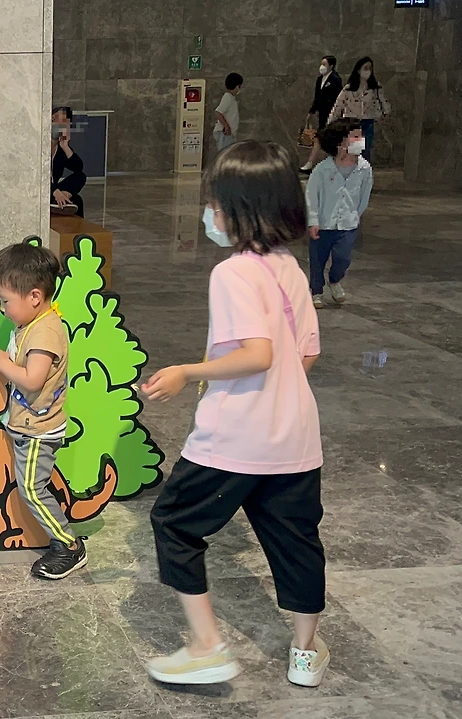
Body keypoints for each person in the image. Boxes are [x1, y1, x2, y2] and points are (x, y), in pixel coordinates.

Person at [140, 141, 327, 688]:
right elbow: (306, 354)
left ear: (242, 209)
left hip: (233, 438)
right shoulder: (290, 268)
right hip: (295, 437)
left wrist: (187, 371)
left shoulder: (233, 273)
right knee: (295, 541)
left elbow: (257, 354)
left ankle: (206, 646)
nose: (209, 214)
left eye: (215, 203)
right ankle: (305, 653)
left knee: (174, 522)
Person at [0, 240, 84, 580]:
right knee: (28, 486)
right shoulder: (29, 326)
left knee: (31, 489)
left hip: (39, 431)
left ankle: (69, 545)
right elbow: (15, 371)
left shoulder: (46, 332)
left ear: (34, 297)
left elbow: (31, 380)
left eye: (5, 301)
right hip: (25, 426)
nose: (2, 309)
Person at [306, 119, 373, 309]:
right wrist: (313, 220)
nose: (360, 140)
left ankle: (335, 280)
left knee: (343, 258)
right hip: (323, 223)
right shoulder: (322, 169)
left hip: (348, 224)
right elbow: (311, 195)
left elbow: (364, 195)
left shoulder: (364, 169)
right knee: (317, 260)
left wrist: (355, 215)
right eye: (355, 136)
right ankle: (317, 291)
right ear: (341, 141)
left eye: (361, 136)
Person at [330, 57, 390, 162]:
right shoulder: (349, 88)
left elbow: (383, 101)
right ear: (358, 70)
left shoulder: (375, 87)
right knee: (354, 150)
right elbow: (338, 105)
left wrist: (385, 112)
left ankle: (364, 170)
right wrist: (331, 121)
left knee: (366, 151)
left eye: (370, 68)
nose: (368, 71)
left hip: (368, 121)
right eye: (365, 68)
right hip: (352, 122)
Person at [301, 56, 343, 172]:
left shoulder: (335, 80)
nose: (321, 67)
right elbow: (317, 97)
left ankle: (315, 163)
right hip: (322, 114)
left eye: (324, 64)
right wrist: (312, 111)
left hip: (332, 114)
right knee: (320, 138)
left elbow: (338, 99)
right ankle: (311, 163)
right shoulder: (320, 79)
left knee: (325, 139)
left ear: (331, 66)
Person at [50, 106, 87, 217]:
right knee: (73, 200)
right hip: (39, 188)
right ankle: (55, 199)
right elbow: (37, 176)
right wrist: (56, 192)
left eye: (64, 122)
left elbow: (78, 168)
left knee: (77, 198)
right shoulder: (38, 145)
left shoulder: (60, 150)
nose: (57, 124)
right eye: (53, 119)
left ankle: (61, 199)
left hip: (54, 190)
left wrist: (65, 146)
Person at [213, 73, 244, 151]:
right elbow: (218, 112)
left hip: (228, 134)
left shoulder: (230, 98)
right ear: (237, 86)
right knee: (225, 154)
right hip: (224, 134)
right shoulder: (228, 97)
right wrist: (226, 126)